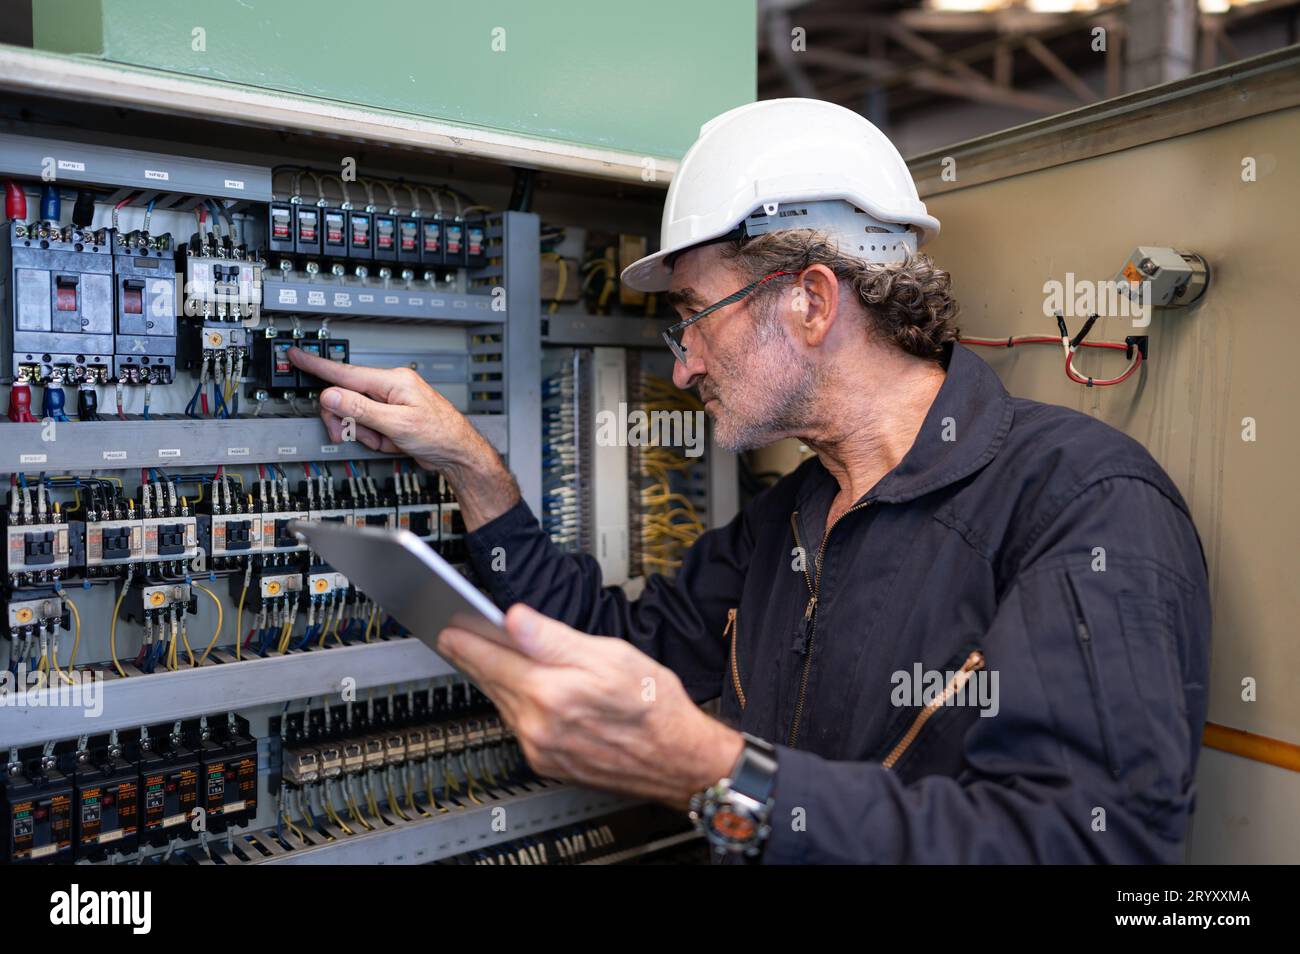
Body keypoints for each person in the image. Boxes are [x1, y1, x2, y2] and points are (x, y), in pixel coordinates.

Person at [289, 98, 1211, 864]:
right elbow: (622, 645)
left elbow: (1098, 846)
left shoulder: (1081, 505)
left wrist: (720, 772)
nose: (684, 366)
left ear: (810, 301)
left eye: (694, 316)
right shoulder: (791, 518)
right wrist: (474, 470)